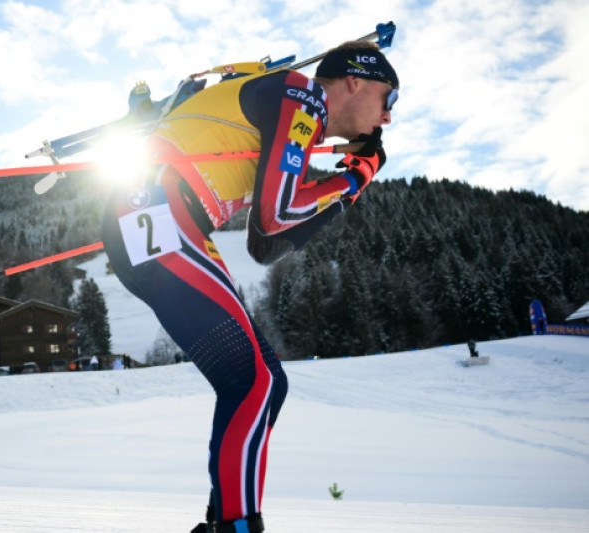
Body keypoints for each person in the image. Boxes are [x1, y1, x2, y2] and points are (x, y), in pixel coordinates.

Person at [100, 40, 397, 533]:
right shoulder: (304, 96)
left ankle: (225, 519)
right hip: (158, 214)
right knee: (254, 382)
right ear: (354, 81)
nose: (388, 117)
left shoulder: (298, 109)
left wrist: (352, 180)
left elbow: (265, 242)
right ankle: (237, 526)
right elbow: (276, 214)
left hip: (157, 220)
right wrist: (354, 178)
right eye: (390, 99)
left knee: (265, 382)